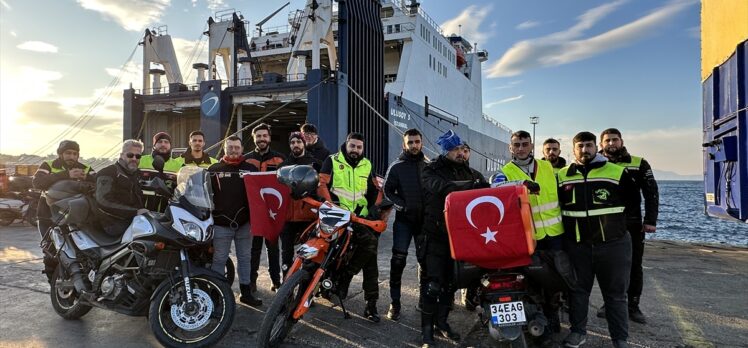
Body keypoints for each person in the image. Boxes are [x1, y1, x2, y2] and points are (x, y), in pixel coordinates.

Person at [558, 131, 637, 348]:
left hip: (613, 246)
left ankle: (620, 339)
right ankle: (577, 332)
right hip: (578, 246)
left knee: (616, 295)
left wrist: (619, 232)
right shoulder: (563, 175)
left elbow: (633, 205)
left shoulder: (617, 172)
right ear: (574, 150)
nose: (585, 150)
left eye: (589, 145)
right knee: (578, 292)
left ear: (596, 147)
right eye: (580, 146)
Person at [491, 130, 565, 342]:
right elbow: (495, 186)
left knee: (555, 279)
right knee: (531, 278)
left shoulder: (549, 167)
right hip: (528, 235)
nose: (521, 148)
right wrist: (521, 185)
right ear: (510, 148)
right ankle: (534, 319)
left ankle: (552, 317)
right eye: (517, 145)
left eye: (525, 144)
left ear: (532, 146)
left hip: (555, 233)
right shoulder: (505, 171)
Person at [421, 130, 487, 346]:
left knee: (451, 284)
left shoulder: (472, 173)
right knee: (433, 284)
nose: (460, 153)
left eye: (462, 149)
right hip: (436, 237)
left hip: (461, 239)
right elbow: (441, 188)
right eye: (455, 149)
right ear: (446, 151)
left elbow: (489, 191)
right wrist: (471, 186)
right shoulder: (431, 170)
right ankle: (426, 331)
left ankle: (442, 323)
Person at [317, 132, 382, 322]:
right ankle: (309, 289)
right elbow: (322, 185)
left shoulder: (367, 164)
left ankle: (371, 304)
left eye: (359, 147)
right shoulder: (332, 160)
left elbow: (373, 190)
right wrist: (331, 207)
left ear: (363, 148)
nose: (355, 150)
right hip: (335, 216)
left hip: (357, 218)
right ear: (346, 145)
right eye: (352, 146)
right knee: (319, 252)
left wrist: (371, 210)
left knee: (371, 251)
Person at [598, 128, 659, 325]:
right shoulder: (595, 163)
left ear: (621, 141)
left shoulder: (638, 163)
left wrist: (650, 220)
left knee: (633, 265)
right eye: (607, 140)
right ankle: (609, 304)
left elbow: (651, 193)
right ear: (601, 144)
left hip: (631, 223)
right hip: (604, 223)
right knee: (607, 266)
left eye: (614, 140)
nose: (611, 144)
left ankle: (633, 305)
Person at [208, 136, 263, 307]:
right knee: (219, 260)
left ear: (241, 149)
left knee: (245, 259)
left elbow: (261, 195)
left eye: (236, 147)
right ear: (225, 148)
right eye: (230, 147)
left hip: (244, 225)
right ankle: (215, 295)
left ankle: (246, 293)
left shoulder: (251, 169)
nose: (233, 150)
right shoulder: (213, 169)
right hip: (220, 224)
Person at [32, 140, 96, 283]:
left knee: (78, 252)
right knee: (52, 253)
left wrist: (87, 177)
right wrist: (67, 174)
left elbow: (99, 182)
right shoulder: (48, 165)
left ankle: (80, 283)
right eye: (68, 153)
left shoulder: (85, 168)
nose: (71, 156)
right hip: (48, 217)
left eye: (75, 153)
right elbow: (37, 183)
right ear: (60, 154)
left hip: (75, 218)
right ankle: (55, 284)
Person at [383, 128, 428, 321]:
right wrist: (402, 206)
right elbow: (387, 191)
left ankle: (423, 301)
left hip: (424, 223)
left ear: (421, 143)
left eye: (417, 141)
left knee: (424, 262)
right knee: (398, 261)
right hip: (403, 223)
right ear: (404, 144)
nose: (414, 145)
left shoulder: (428, 166)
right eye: (410, 142)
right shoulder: (397, 166)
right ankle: (395, 302)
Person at [244, 123, 286, 292]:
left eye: (264, 136)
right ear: (254, 138)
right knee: (253, 250)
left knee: (273, 249)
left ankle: (276, 280)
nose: (261, 139)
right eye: (258, 136)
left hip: (272, 213)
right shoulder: (246, 160)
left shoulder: (280, 159)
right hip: (253, 212)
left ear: (269, 137)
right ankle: (252, 280)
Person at [278, 132, 321, 277]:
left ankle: (307, 287)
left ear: (304, 143)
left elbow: (321, 187)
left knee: (309, 255)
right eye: (292, 142)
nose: (295, 145)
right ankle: (286, 285)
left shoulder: (315, 163)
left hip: (308, 217)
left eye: (298, 142)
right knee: (286, 254)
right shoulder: (283, 165)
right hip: (288, 217)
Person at [95, 139, 148, 238]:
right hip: (112, 222)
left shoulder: (136, 174)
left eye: (138, 156)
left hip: (134, 219)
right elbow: (103, 200)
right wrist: (134, 212)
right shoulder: (108, 172)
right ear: (122, 155)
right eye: (130, 155)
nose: (134, 159)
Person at [138, 131, 183, 212]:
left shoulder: (178, 165)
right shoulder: (141, 161)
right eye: (159, 142)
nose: (163, 144)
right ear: (154, 145)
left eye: (166, 142)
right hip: (143, 209)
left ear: (170, 145)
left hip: (168, 212)